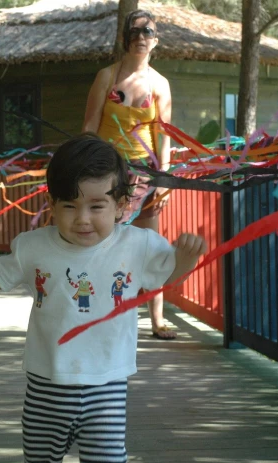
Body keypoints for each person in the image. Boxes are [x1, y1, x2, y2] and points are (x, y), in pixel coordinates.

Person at [0, 134, 207, 463]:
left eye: (96, 206)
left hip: (106, 385)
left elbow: (166, 279)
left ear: (120, 206)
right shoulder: (34, 246)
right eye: (70, 206)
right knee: (38, 462)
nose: (82, 219)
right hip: (47, 380)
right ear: (52, 205)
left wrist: (184, 259)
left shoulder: (139, 244)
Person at [82, 9, 178, 340]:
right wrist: (86, 169)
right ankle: (99, 311)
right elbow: (89, 126)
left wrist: (164, 182)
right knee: (103, 244)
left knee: (152, 247)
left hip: (147, 177)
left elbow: (163, 136)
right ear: (125, 39)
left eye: (147, 32)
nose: (141, 37)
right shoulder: (107, 77)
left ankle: (157, 319)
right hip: (108, 177)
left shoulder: (160, 84)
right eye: (135, 32)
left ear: (156, 41)